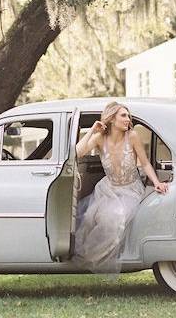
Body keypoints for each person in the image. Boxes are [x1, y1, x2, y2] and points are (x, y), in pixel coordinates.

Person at [72, 101, 169, 274]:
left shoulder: (132, 136)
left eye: (128, 115)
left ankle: (98, 259)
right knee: (88, 218)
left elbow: (145, 164)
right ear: (111, 118)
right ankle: (86, 258)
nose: (127, 119)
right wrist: (92, 130)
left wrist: (156, 182)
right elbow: (77, 153)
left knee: (113, 218)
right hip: (108, 188)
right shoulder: (100, 138)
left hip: (130, 189)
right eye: (123, 115)